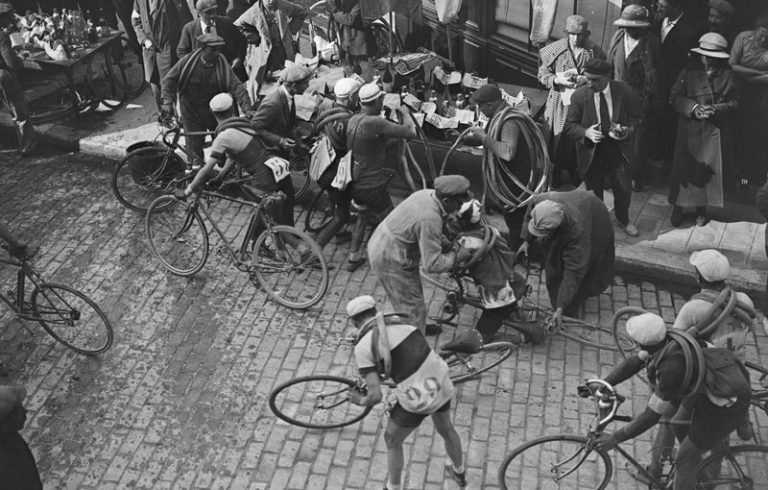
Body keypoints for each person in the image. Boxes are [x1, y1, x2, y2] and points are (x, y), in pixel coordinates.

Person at [592, 312, 750, 490]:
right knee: (675, 424)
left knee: (683, 462)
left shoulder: (670, 370)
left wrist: (616, 437)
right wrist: (604, 383)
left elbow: (650, 416)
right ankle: (699, 470)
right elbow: (634, 363)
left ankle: (693, 465)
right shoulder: (670, 339)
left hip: (725, 407)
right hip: (709, 388)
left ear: (639, 343)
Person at [345, 295, 467, 489]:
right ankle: (459, 471)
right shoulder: (406, 325)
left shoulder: (363, 348)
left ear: (354, 321)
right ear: (376, 311)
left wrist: (359, 400)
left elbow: (375, 396)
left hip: (418, 397)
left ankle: (392, 487)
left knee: (392, 439)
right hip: (440, 381)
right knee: (446, 429)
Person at [367, 175, 474, 336]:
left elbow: (426, 230)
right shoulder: (429, 219)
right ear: (446, 201)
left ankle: (416, 326)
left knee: (410, 302)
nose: (460, 207)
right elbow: (433, 264)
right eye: (458, 203)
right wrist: (458, 256)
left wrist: (445, 241)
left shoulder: (426, 194)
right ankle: (414, 343)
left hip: (384, 241)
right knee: (412, 308)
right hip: (391, 258)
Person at [183, 93, 295, 232]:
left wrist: (188, 190)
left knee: (265, 214)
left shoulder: (223, 137)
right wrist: (221, 177)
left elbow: (206, 169)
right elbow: (234, 156)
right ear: (232, 109)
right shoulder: (243, 124)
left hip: (263, 176)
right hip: (276, 166)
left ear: (212, 112)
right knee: (284, 205)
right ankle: (290, 234)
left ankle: (288, 244)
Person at [343, 82, 417, 272]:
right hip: (372, 186)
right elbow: (411, 132)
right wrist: (406, 113)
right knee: (393, 224)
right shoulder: (375, 122)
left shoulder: (354, 119)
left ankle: (354, 257)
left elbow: (375, 145)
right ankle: (402, 261)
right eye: (381, 100)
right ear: (376, 102)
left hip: (355, 182)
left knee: (363, 216)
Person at [463, 85, 547, 252]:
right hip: (509, 179)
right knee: (512, 218)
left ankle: (516, 252)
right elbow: (492, 139)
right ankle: (517, 247)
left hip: (517, 181)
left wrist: (483, 136)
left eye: (481, 106)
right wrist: (469, 139)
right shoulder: (498, 116)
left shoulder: (509, 121)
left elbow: (507, 152)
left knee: (514, 220)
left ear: (490, 105)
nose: (479, 110)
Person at [563, 58, 640, 237]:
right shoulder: (579, 96)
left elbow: (636, 119)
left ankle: (623, 220)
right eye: (587, 78)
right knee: (594, 192)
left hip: (618, 151)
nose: (589, 84)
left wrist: (627, 130)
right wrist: (586, 133)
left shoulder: (625, 92)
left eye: (595, 80)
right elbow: (569, 126)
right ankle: (598, 224)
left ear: (607, 77)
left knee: (623, 190)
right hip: (592, 152)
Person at [668, 32, 738, 227]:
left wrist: (716, 109)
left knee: (707, 171)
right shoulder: (688, 73)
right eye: (704, 55)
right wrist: (694, 109)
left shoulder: (728, 75)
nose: (706, 60)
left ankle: (701, 209)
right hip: (689, 130)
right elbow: (674, 97)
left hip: (713, 131)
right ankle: (678, 207)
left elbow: (736, 103)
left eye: (712, 57)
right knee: (683, 170)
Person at [518, 190, 615, 323]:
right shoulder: (541, 200)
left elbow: (574, 271)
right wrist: (526, 241)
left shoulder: (578, 232)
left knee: (586, 267)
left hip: (596, 218)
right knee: (554, 263)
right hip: (578, 207)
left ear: (554, 229)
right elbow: (529, 217)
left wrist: (560, 307)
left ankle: (568, 310)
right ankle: (561, 301)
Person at [161, 33, 254, 165]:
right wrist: (167, 102)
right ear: (203, 49)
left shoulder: (221, 64)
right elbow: (168, 81)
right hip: (191, 112)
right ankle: (196, 176)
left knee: (222, 149)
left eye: (219, 50)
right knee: (194, 151)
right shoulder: (187, 62)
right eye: (213, 50)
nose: (217, 53)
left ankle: (225, 177)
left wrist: (247, 108)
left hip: (214, 115)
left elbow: (237, 87)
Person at [537, 15, 605, 185]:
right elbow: (542, 74)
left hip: (582, 105)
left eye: (580, 35)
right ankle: (556, 172)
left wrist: (586, 80)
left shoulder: (594, 52)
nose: (576, 38)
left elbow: (603, 76)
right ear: (567, 33)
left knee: (577, 141)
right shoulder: (556, 49)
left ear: (586, 34)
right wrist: (557, 80)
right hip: (559, 103)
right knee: (557, 140)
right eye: (573, 34)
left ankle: (577, 172)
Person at [607, 4, 663, 192]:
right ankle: (613, 172)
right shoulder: (618, 38)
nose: (629, 30)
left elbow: (658, 72)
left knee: (636, 139)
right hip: (616, 95)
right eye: (627, 26)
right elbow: (609, 64)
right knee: (615, 134)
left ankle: (634, 174)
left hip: (639, 99)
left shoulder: (651, 43)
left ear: (642, 27)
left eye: (634, 27)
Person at [312, 77, 361, 249]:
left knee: (336, 201)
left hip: (323, 165)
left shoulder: (327, 106)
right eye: (356, 96)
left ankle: (340, 234)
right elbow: (355, 147)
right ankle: (312, 253)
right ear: (350, 98)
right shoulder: (349, 120)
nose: (358, 99)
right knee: (342, 216)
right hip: (336, 172)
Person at [655, 0, 705, 169]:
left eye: (663, 3)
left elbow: (688, 64)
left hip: (673, 84)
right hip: (654, 83)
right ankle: (655, 153)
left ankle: (669, 161)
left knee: (670, 122)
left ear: (676, 6)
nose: (657, 6)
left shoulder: (691, 31)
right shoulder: (657, 22)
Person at [234, 0, 308, 101]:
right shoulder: (255, 11)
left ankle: (290, 98)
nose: (270, 1)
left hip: (284, 49)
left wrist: (290, 31)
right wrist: (255, 37)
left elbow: (301, 13)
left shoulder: (282, 5)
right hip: (267, 53)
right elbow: (237, 26)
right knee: (267, 79)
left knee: (288, 75)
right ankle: (267, 100)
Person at [132, 0, 193, 113]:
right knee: (155, 85)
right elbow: (136, 20)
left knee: (170, 85)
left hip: (169, 48)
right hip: (150, 51)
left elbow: (185, 20)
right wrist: (144, 39)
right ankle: (166, 118)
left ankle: (179, 118)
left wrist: (185, 46)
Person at [730, 14, 768, 188]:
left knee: (754, 134)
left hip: (760, 95)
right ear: (755, 30)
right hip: (738, 90)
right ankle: (734, 172)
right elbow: (733, 65)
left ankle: (749, 174)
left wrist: (745, 73)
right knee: (736, 130)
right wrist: (758, 74)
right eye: (761, 35)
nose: (762, 39)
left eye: (766, 38)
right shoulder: (743, 37)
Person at [177, 0, 247, 81]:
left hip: (230, 73)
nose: (212, 15)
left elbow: (241, 41)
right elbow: (181, 51)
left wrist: (238, 58)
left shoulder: (226, 22)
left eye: (214, 11)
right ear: (199, 13)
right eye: (208, 12)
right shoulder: (189, 28)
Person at [0, 3, 37, 156]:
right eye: (8, 17)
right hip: (3, 75)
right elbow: (11, 63)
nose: (10, 20)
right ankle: (28, 145)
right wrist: (21, 58)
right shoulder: (1, 36)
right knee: (19, 111)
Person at [0, 385, 42, 490]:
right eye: (18, 411)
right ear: (5, 424)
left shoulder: (9, 436)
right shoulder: (9, 466)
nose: (25, 412)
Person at [326, 0, 368, 69]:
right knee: (349, 71)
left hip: (359, 46)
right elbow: (332, 21)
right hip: (346, 44)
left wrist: (335, 11)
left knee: (364, 74)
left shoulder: (360, 2)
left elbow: (351, 19)